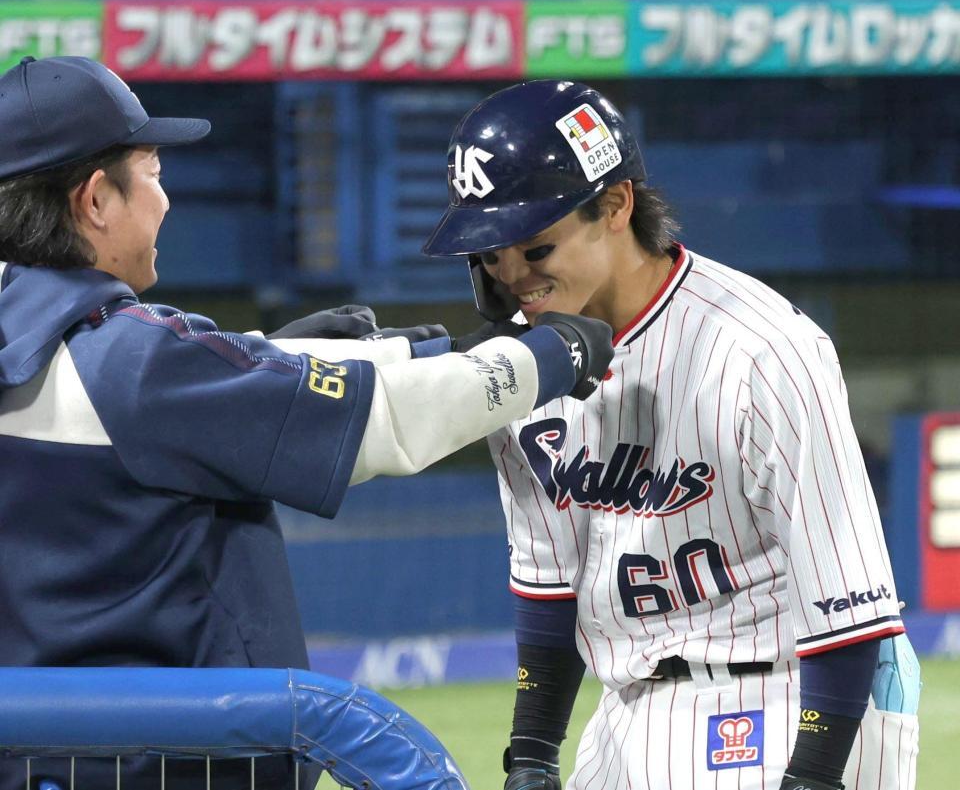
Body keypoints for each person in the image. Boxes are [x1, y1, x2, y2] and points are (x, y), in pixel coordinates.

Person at [0, 57, 616, 790]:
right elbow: (386, 422)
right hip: (163, 765)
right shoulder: (130, 364)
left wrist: (346, 352)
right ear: (96, 199)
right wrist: (548, 351)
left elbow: (191, 377)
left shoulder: (43, 343)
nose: (165, 201)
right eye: (153, 170)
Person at [423, 80, 921, 790]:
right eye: (492, 253)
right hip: (627, 707)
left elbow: (848, 600)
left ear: (617, 205)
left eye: (534, 247)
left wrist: (812, 774)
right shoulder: (523, 367)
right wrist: (531, 751)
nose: (511, 275)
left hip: (783, 694)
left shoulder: (762, 350)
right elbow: (549, 579)